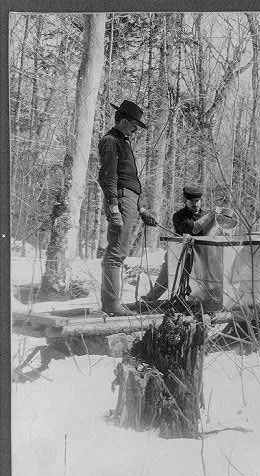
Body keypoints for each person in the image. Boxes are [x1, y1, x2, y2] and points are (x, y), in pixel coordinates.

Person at [98, 100, 158, 316]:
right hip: (121, 201)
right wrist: (114, 207)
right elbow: (109, 177)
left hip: (129, 201)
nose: (135, 129)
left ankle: (112, 304)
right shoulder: (110, 141)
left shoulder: (123, 142)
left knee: (119, 251)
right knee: (116, 253)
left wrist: (141, 211)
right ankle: (112, 305)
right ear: (123, 121)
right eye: (134, 124)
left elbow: (129, 180)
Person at [141, 184, 223, 302]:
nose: (195, 204)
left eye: (197, 201)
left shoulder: (206, 215)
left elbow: (214, 233)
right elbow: (194, 228)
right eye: (192, 202)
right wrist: (211, 215)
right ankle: (152, 298)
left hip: (202, 254)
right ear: (185, 200)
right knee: (169, 269)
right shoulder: (179, 216)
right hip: (181, 252)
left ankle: (212, 298)